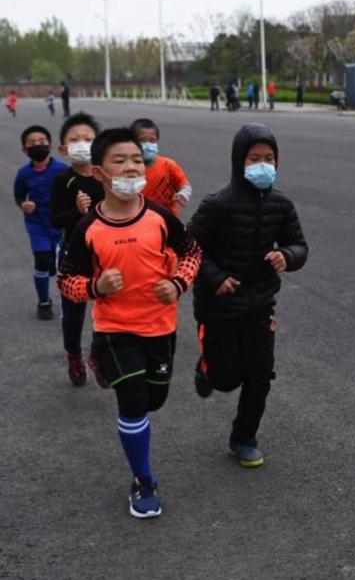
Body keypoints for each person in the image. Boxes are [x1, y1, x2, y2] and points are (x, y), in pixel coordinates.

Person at [58, 127, 201, 518]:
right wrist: (95, 286)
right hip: (115, 327)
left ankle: (105, 368)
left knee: (155, 398)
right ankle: (143, 479)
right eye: (119, 161)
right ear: (100, 173)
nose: (131, 167)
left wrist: (178, 282)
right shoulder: (88, 228)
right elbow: (67, 280)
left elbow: (191, 253)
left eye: (136, 160)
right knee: (134, 400)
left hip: (159, 326)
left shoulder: (159, 216)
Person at [187, 123, 307, 468]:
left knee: (260, 373)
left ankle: (243, 437)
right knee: (225, 380)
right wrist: (215, 278)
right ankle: (207, 366)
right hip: (218, 305)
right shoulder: (218, 204)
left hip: (260, 302)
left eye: (269, 158)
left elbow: (299, 244)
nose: (263, 165)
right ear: (239, 161)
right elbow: (189, 247)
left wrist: (289, 255)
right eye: (254, 158)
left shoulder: (281, 205)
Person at [50, 112, 104, 386]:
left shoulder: (105, 176)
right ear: (63, 148)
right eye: (75, 139)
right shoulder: (64, 180)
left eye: (88, 139)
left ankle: (98, 353)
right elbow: (55, 218)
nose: (82, 143)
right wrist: (77, 211)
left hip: (106, 253)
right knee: (73, 312)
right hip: (74, 254)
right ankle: (74, 355)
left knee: (107, 307)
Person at [13, 125, 69, 320]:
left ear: (50, 146)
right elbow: (19, 195)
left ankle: (69, 299)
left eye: (42, 142)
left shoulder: (62, 169)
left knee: (62, 264)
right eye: (32, 143)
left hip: (59, 223)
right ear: (24, 149)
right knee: (42, 260)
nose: (37, 145)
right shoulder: (23, 173)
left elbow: (73, 190)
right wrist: (23, 204)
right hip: (37, 224)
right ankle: (44, 302)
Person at [130, 118, 192, 218]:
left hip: (167, 219)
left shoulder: (168, 165)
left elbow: (184, 185)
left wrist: (183, 194)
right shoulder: (128, 169)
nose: (148, 144)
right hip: (138, 219)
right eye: (142, 140)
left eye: (152, 140)